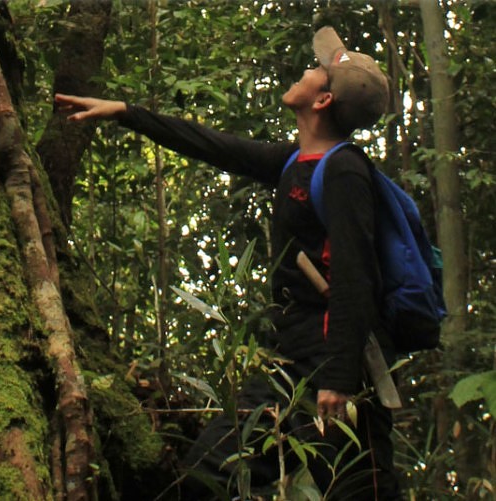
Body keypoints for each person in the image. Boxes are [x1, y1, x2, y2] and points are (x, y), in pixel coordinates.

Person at [56, 26, 402, 500]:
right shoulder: (296, 162)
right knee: (207, 474)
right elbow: (212, 144)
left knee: (360, 490)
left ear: (322, 101)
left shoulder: (344, 172)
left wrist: (340, 380)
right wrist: (126, 113)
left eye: (315, 70)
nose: (306, 69)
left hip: (336, 370)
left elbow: (356, 277)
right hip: (291, 366)